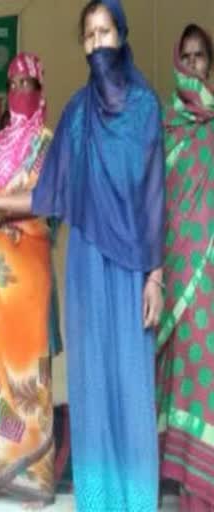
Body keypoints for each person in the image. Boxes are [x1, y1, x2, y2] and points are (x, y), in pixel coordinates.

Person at [0, 2, 164, 510]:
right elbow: (46, 194)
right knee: (93, 384)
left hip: (131, 268)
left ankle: (135, 500)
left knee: (130, 383)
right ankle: (97, 501)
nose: (98, 44)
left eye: (106, 33)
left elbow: (154, 197)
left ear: (122, 36)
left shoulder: (145, 108)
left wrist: (155, 278)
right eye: (90, 36)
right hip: (85, 266)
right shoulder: (76, 115)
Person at [0, 53, 60, 508]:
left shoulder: (49, 142)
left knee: (27, 369)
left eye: (29, 81)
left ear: (41, 88)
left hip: (29, 268)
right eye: (14, 82)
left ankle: (35, 478)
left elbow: (45, 199)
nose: (21, 90)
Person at [157, 24, 214, 511]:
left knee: (201, 369)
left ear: (209, 66)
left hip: (209, 276)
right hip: (172, 270)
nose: (193, 64)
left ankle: (199, 483)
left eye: (200, 57)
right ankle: (167, 475)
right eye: (187, 56)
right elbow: (155, 202)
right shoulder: (166, 129)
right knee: (168, 369)